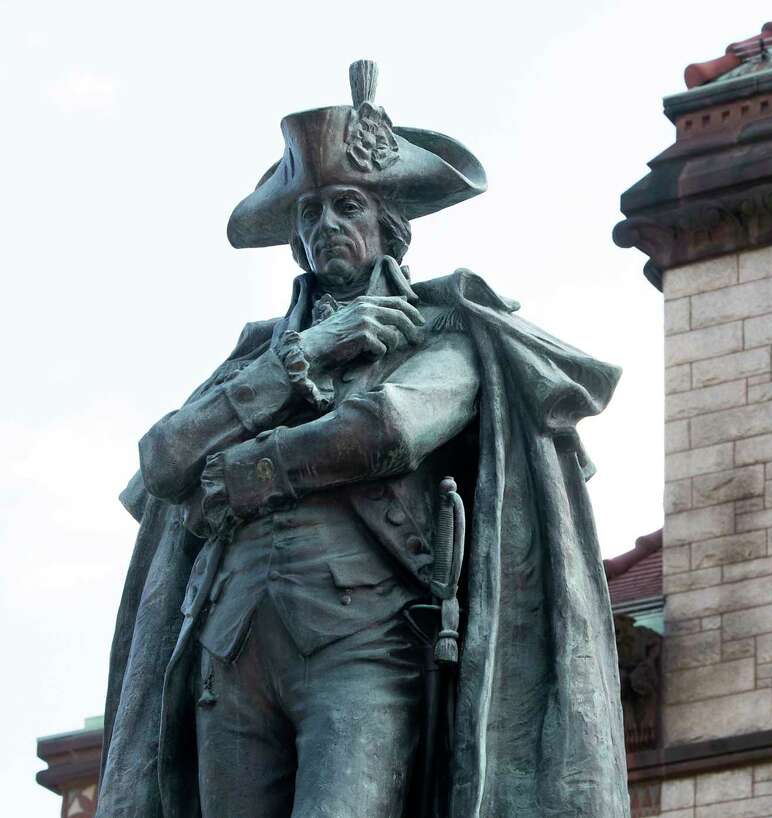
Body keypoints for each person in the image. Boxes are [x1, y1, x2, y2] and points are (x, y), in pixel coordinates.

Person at [96, 60, 630, 818]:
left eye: (347, 205)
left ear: (389, 225)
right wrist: (299, 360)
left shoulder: (449, 329)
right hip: (227, 653)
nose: (325, 227)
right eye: (309, 214)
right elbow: (163, 459)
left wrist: (244, 472)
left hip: (360, 650)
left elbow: (387, 429)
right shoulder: (255, 358)